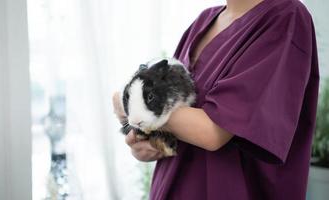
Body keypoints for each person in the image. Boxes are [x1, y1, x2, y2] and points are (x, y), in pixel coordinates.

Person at [112, 0, 320, 199]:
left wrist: (125, 103)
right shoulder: (203, 21)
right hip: (169, 187)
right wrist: (147, 143)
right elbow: (172, 113)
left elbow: (211, 131)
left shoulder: (286, 16)